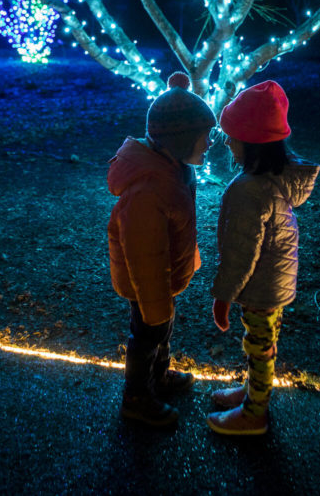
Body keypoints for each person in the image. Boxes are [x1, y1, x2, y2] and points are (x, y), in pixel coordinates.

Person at [208, 80, 320, 435]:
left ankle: (254, 413)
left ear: (252, 142)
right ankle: (252, 390)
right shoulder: (274, 179)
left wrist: (222, 296)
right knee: (262, 342)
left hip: (261, 285)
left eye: (232, 135)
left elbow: (242, 252)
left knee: (259, 346)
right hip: (274, 279)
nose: (227, 142)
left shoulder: (249, 191)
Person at [108, 71, 217, 427]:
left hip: (163, 276)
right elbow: (145, 256)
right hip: (148, 282)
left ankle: (159, 376)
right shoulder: (148, 192)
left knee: (161, 329)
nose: (210, 143)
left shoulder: (174, 170)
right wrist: (155, 301)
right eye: (205, 137)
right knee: (147, 332)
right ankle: (136, 397)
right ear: (179, 141)